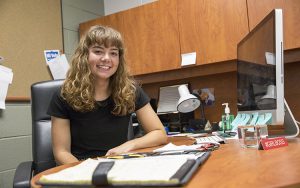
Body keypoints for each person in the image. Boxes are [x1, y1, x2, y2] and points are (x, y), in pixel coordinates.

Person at [47, 25, 168, 165]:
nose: (106, 58)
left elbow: (159, 133)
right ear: (84, 56)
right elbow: (61, 152)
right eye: (98, 51)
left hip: (118, 165)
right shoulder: (64, 95)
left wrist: (131, 144)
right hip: (80, 168)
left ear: (119, 59)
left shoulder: (130, 90)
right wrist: (85, 172)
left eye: (113, 53)